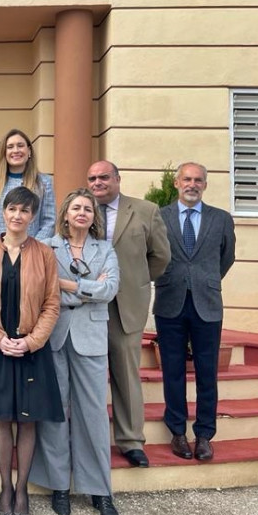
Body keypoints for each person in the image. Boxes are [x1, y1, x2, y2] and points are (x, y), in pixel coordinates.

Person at [30, 188, 122, 515]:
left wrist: (70, 286)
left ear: (93, 217)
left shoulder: (106, 248)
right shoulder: (47, 248)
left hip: (91, 340)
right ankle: (58, 486)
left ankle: (99, 490)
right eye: (76, 208)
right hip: (55, 336)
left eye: (87, 209)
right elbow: (45, 288)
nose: (82, 213)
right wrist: (85, 289)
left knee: (93, 414)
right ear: (65, 215)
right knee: (56, 412)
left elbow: (110, 289)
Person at [0, 186, 61, 515]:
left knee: (27, 419)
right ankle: (4, 488)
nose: (17, 216)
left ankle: (22, 489)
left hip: (30, 348)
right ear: (3, 212)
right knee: (1, 418)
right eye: (12, 209)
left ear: (33, 216)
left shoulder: (44, 254)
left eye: (24, 211)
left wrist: (31, 341)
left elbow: (52, 303)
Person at [86, 160, 170, 468]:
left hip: (126, 306)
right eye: (93, 178)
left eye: (104, 177)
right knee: (86, 375)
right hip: (87, 305)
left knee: (125, 375)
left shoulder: (145, 211)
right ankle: (87, 439)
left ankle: (131, 441)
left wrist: (134, 281)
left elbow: (160, 256)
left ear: (117, 179)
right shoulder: (81, 209)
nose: (98, 183)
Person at [154, 162, 236, 462]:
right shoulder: (159, 217)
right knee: (172, 371)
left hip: (207, 303)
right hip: (169, 301)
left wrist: (206, 280)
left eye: (198, 180)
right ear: (177, 183)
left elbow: (226, 257)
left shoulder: (221, 219)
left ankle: (204, 435)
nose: (192, 184)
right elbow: (152, 254)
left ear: (205, 184)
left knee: (207, 372)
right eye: (187, 179)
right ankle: (177, 432)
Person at [0, 129, 55, 241]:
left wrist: (33, 247)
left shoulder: (44, 182)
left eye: (20, 145)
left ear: (29, 151)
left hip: (33, 252)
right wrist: (4, 245)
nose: (16, 150)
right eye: (10, 147)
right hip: (1, 251)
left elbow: (49, 221)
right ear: (4, 152)